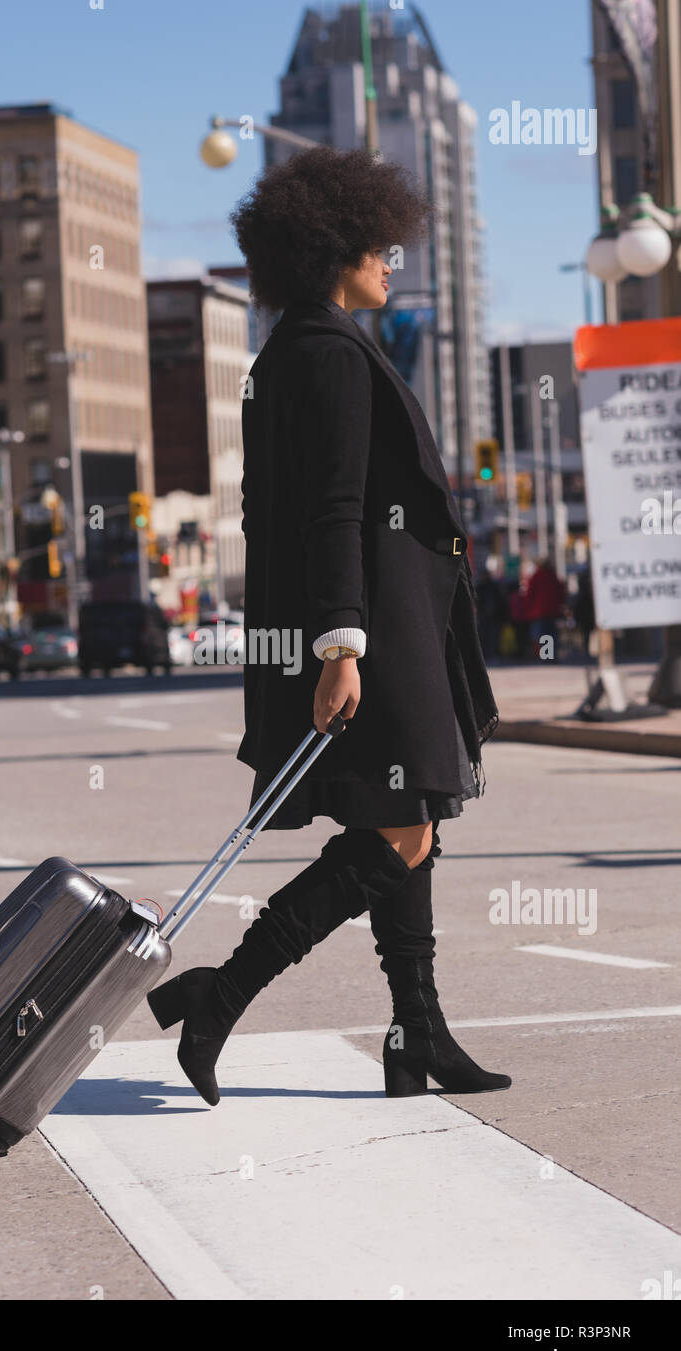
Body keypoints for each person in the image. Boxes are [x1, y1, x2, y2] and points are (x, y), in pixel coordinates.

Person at [147, 146, 509, 1104]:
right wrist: (341, 643)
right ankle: (219, 997)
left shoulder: (292, 352)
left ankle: (415, 1036)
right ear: (331, 249)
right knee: (401, 830)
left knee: (414, 817)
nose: (393, 258)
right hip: (374, 634)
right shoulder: (330, 356)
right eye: (378, 244)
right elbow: (335, 508)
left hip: (374, 626)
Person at [521, 556, 567, 659]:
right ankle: (550, 655)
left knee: (541, 635)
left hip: (538, 612)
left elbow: (529, 595)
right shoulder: (553, 576)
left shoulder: (535, 577)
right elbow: (560, 593)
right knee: (551, 635)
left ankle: (545, 656)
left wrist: (527, 609)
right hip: (552, 611)